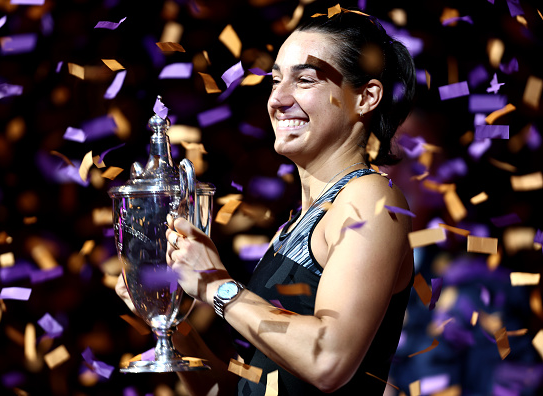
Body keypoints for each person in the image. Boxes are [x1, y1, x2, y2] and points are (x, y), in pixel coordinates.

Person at [117, 7, 416, 395]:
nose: (278, 99)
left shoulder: (371, 198)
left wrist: (217, 286)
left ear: (366, 97)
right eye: (276, 80)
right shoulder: (295, 223)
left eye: (304, 80)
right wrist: (170, 320)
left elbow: (328, 360)